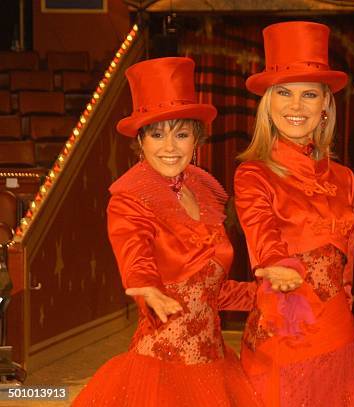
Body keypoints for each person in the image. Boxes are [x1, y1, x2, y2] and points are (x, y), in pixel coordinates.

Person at [72, 57, 267, 407]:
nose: (170, 147)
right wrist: (145, 285)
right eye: (157, 134)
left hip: (215, 364)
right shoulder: (130, 198)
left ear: (197, 138)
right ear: (141, 141)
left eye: (181, 133)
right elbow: (134, 250)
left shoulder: (204, 190)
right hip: (161, 369)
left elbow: (208, 290)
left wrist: (262, 295)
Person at [233, 21, 354, 407]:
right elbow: (261, 233)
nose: (295, 106)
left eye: (309, 94)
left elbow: (349, 261)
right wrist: (276, 264)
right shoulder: (253, 172)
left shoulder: (344, 177)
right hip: (284, 330)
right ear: (268, 103)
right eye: (284, 93)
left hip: (339, 331)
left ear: (326, 103)